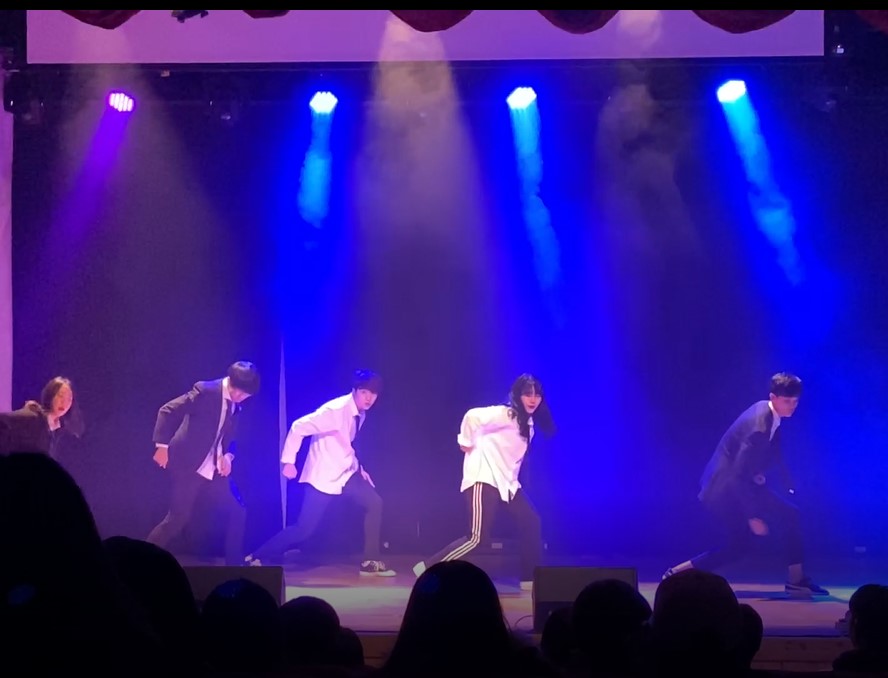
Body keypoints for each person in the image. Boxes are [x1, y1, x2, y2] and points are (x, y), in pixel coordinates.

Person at [663, 372, 828, 596]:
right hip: (724, 490)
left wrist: (757, 473)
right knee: (741, 545)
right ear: (773, 397)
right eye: (787, 401)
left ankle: (796, 580)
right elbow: (737, 474)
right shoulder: (759, 427)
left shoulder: (767, 411)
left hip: (736, 483)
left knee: (784, 519)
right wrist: (753, 516)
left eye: (795, 401)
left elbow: (747, 460)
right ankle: (676, 575)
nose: (792, 406)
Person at [412, 373, 555, 591]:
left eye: (537, 395)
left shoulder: (528, 424)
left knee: (531, 522)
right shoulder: (506, 414)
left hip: (506, 483)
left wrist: (513, 482)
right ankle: (428, 569)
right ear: (518, 395)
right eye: (528, 394)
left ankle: (529, 579)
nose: (533, 399)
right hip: (484, 476)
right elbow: (472, 416)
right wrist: (465, 442)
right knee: (477, 538)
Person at [245, 369, 395, 577]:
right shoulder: (334, 411)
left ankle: (370, 561)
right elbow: (298, 426)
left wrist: (360, 469)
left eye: (373, 394)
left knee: (374, 503)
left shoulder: (361, 413)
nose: (369, 398)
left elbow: (346, 444)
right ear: (354, 390)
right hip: (323, 475)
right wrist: (288, 461)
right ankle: (258, 556)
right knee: (304, 529)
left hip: (346, 472)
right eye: (364, 392)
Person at [146, 361, 260, 566]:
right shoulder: (206, 391)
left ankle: (235, 565)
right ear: (230, 381)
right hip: (188, 465)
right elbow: (167, 410)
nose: (239, 397)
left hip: (212, 467)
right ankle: (142, 558)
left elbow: (232, 435)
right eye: (237, 391)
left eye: (245, 395)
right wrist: (162, 446)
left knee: (237, 510)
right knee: (177, 519)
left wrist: (228, 457)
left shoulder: (237, 405)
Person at [0, 376, 83, 458]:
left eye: (69, 399)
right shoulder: (32, 418)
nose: (64, 402)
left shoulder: (58, 431)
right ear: (51, 395)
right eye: (61, 396)